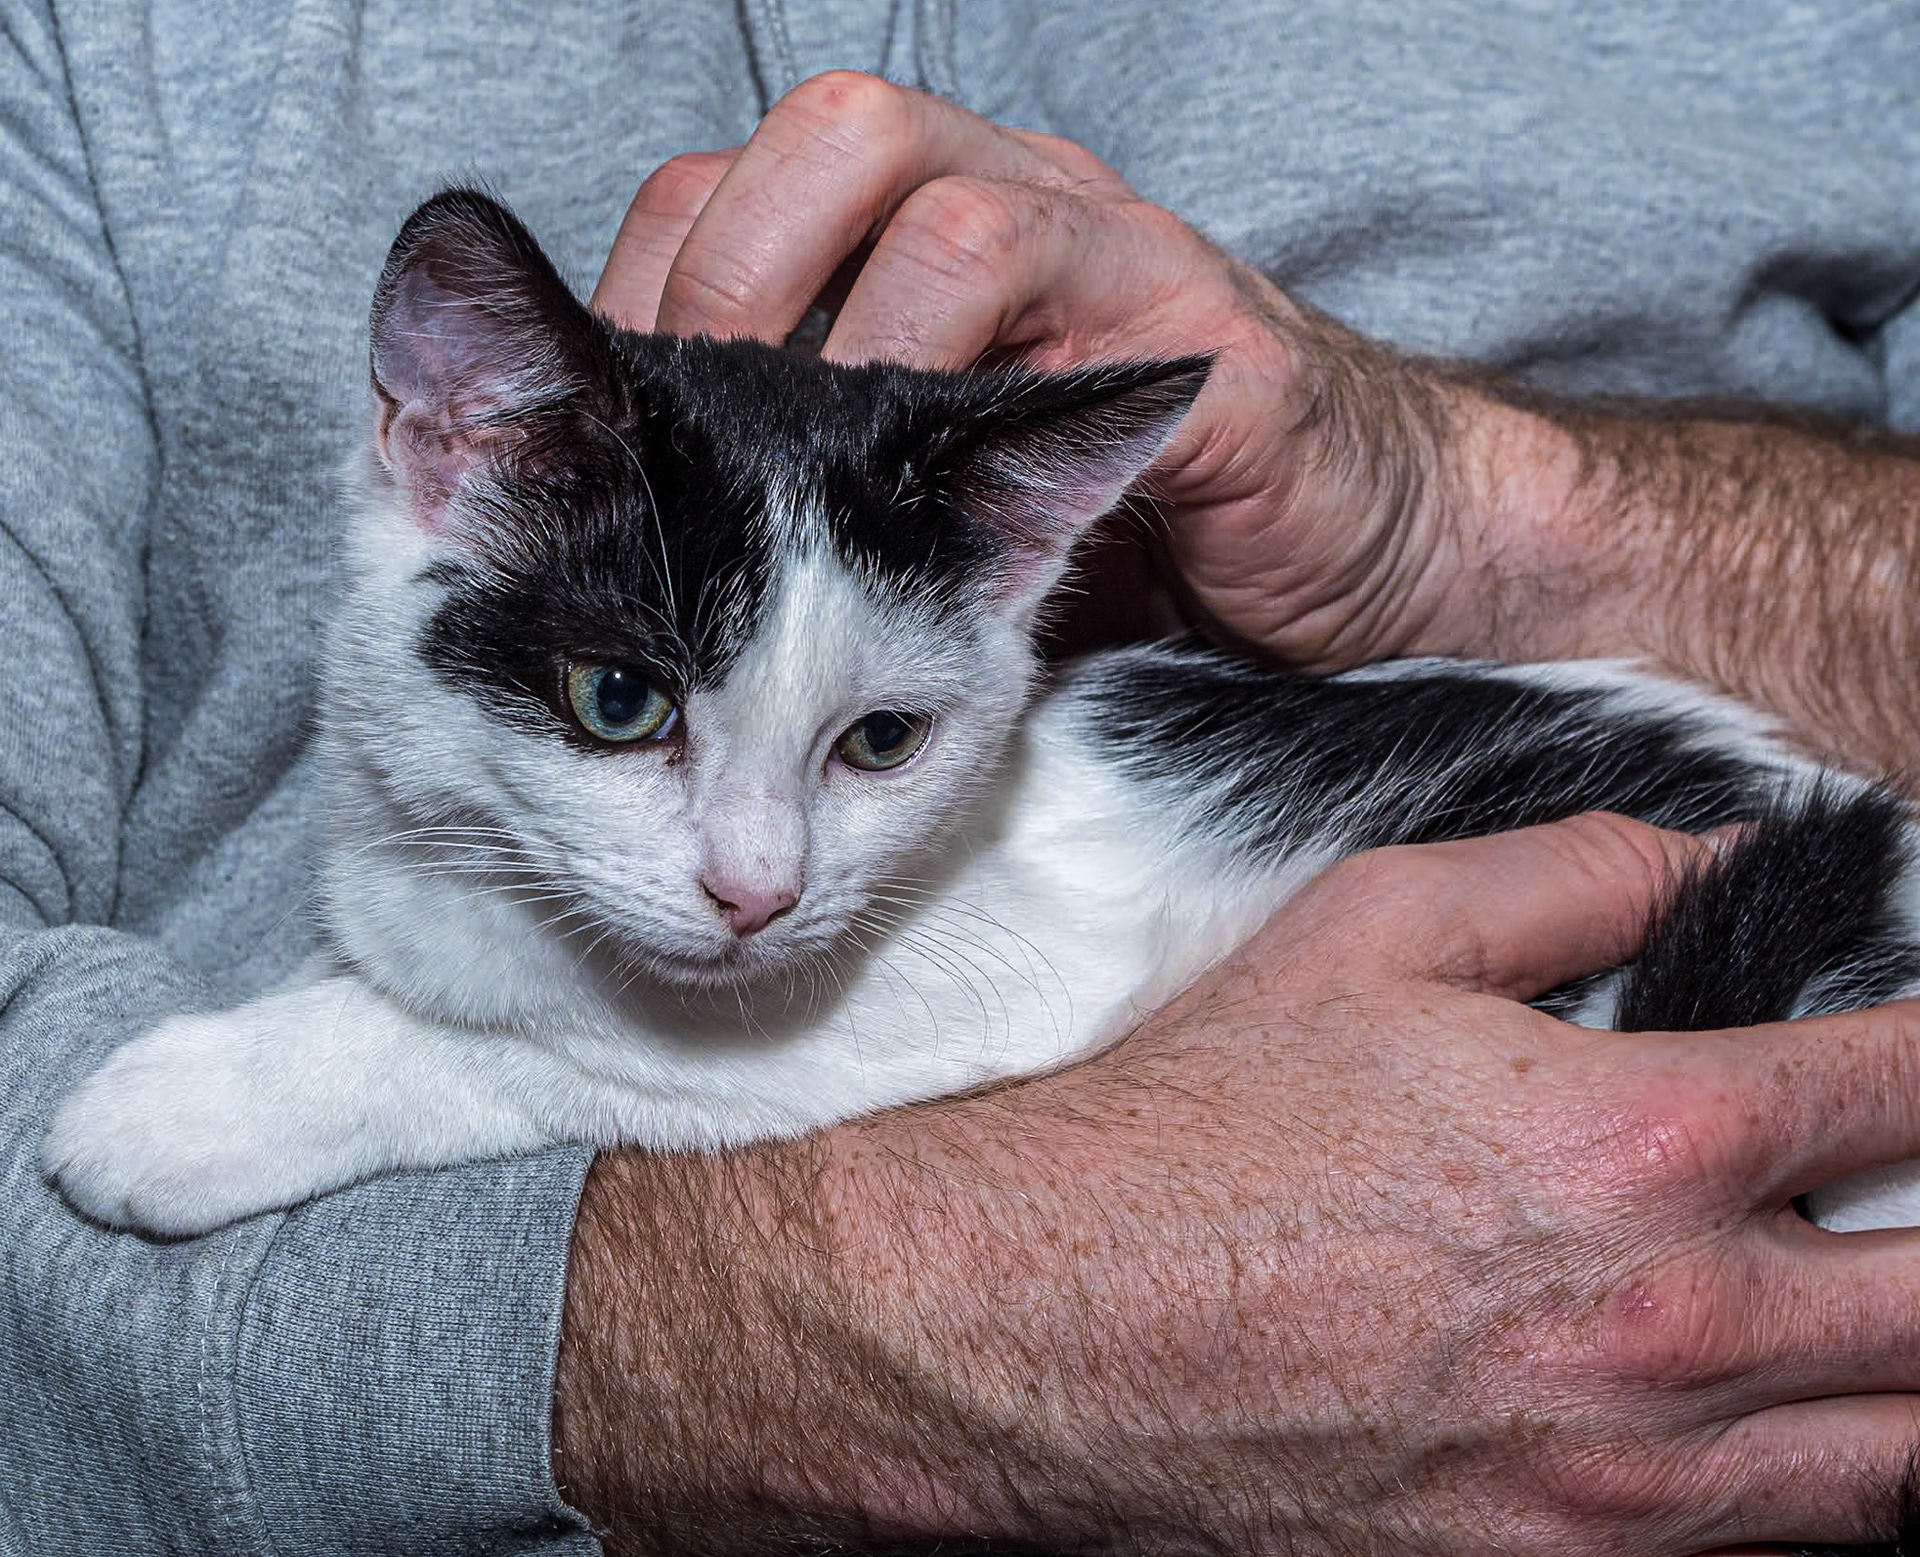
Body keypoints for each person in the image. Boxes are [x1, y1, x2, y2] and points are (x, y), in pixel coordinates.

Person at [4, 5, 1919, 1553]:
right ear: (442, 464)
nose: (755, 879)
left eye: (877, 743)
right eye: (618, 707)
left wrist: (1484, 504)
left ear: (1028, 579)